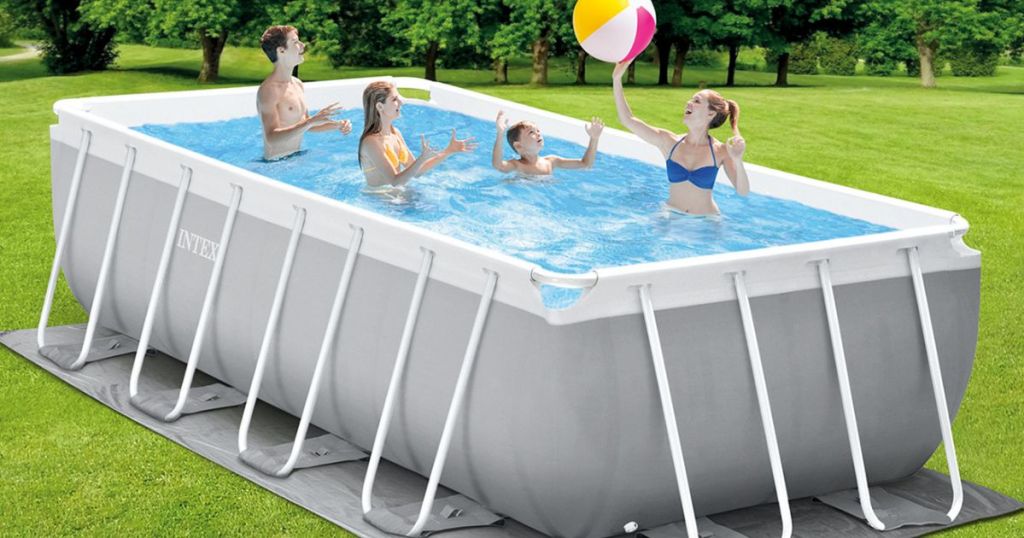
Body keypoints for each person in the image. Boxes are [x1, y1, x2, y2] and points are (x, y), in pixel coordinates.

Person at [612, 61, 749, 215]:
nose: (688, 103)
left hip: (705, 222)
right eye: (690, 99)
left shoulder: (720, 151)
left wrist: (738, 160)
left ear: (711, 113)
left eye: (696, 101)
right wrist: (616, 79)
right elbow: (628, 120)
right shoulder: (669, 142)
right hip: (670, 215)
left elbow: (742, 191)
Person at [257, 25, 351, 160]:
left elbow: (307, 125)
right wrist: (309, 122)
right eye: (295, 42)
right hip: (275, 164)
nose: (302, 45)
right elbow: (271, 137)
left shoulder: (297, 84)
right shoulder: (268, 91)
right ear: (281, 50)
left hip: (295, 158)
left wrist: (337, 125)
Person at [358, 81, 477, 187]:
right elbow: (395, 181)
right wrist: (421, 159)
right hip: (380, 200)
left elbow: (418, 171)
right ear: (380, 106)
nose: (401, 102)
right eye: (394, 99)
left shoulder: (395, 133)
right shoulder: (371, 142)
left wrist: (449, 150)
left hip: (396, 197)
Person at [492, 111, 604, 176]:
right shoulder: (517, 166)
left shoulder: (551, 161)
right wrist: (500, 134)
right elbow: (498, 165)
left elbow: (585, 164)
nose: (538, 134)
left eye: (538, 131)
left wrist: (594, 139)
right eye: (531, 132)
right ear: (518, 145)